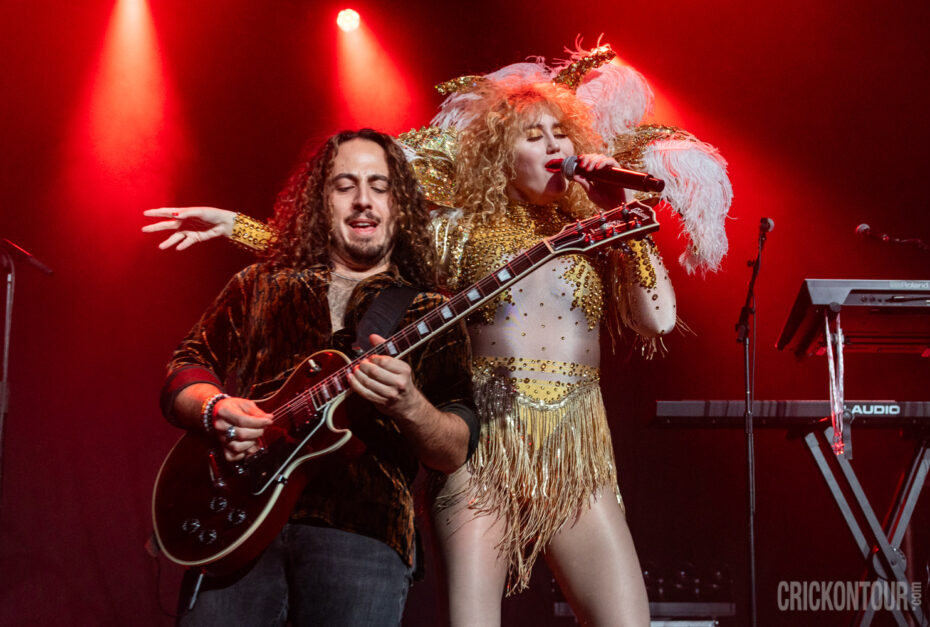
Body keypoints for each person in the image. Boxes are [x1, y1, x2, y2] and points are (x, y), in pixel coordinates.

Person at [146, 44, 731, 627]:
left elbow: (655, 318)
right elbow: (349, 245)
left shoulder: (594, 229)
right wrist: (240, 227)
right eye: (534, 136)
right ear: (502, 156)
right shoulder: (455, 227)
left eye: (561, 132)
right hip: (480, 452)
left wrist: (625, 217)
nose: (555, 146)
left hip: (574, 449)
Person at [158, 128, 478, 626]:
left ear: (401, 204)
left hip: (362, 531)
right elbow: (186, 366)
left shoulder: (426, 312)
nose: (364, 200)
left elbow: (454, 449)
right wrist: (215, 410)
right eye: (344, 185)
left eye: (380, 185)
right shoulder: (259, 283)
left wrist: (411, 406)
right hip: (234, 520)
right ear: (319, 201)